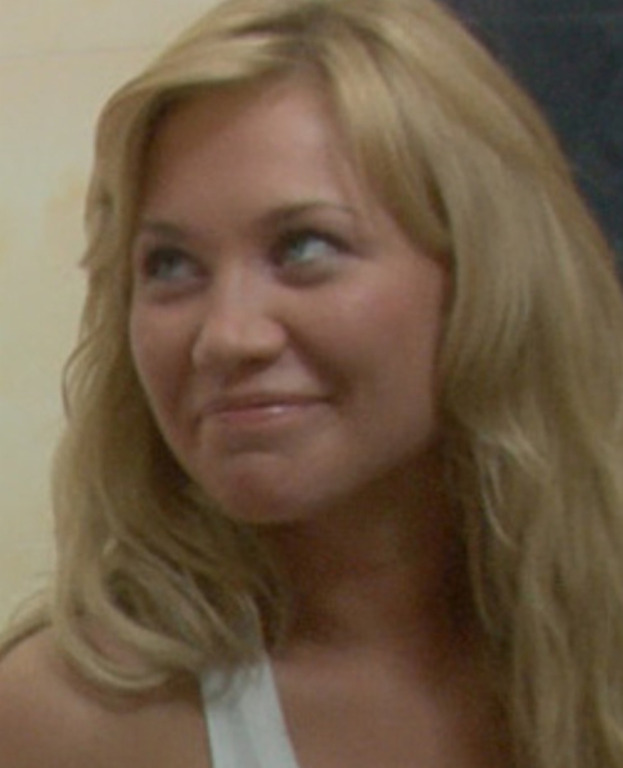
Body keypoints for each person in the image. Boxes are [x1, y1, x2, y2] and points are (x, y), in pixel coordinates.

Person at [1, 0, 623, 765]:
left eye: (303, 248)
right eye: (170, 265)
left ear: (482, 273)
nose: (227, 336)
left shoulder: (594, 646)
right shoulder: (70, 721)